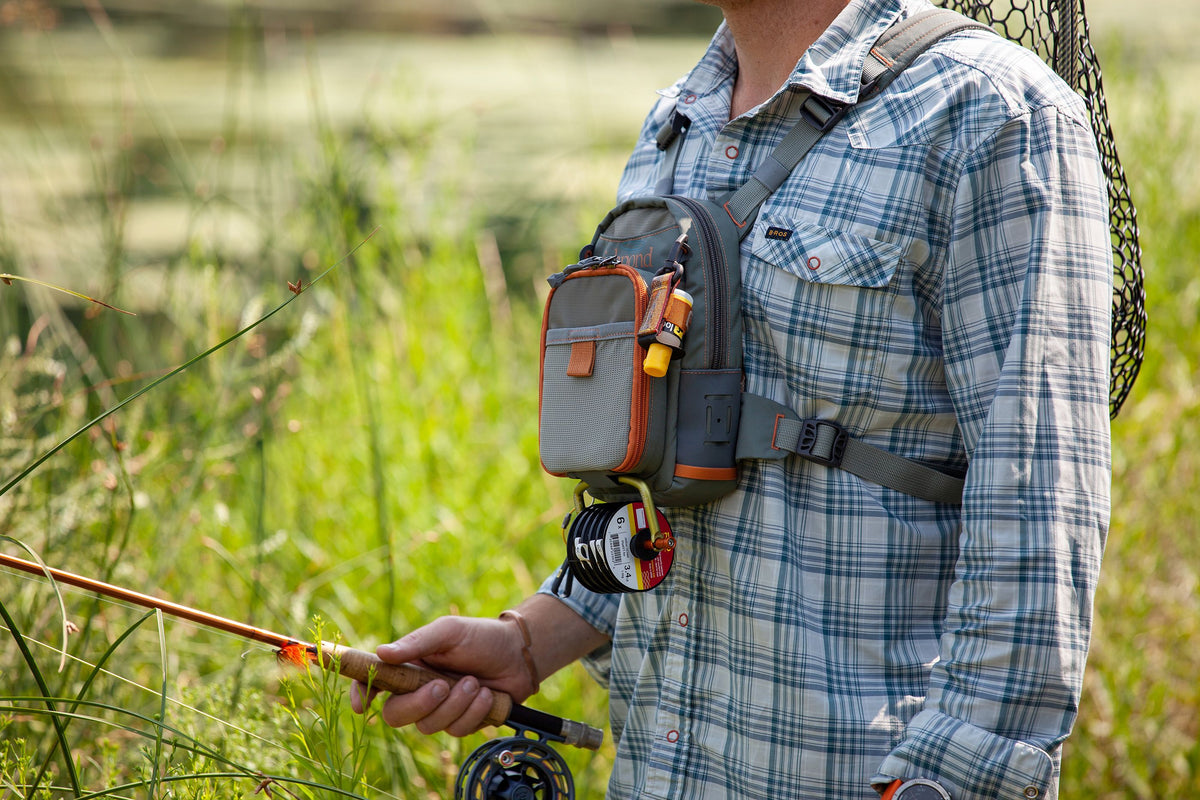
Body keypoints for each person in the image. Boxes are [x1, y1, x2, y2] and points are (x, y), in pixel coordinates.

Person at [351, 0, 1114, 797]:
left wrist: (950, 780)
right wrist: (531, 642)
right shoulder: (676, 119)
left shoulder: (994, 112)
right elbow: (671, 478)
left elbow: (1040, 508)